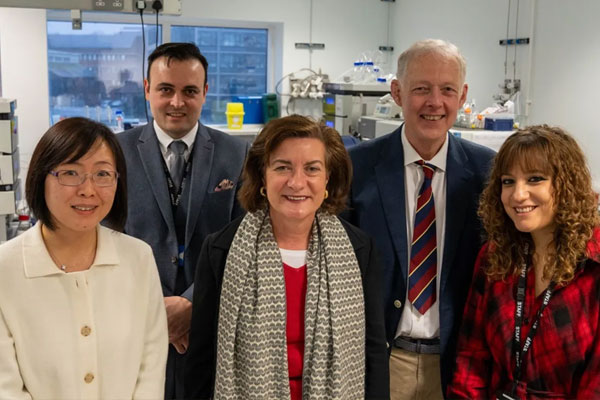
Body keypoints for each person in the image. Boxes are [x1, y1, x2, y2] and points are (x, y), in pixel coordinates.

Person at [184, 115, 389, 400]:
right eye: (283, 167)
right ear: (262, 177)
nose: (297, 182)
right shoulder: (222, 250)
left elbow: (374, 351)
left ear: (327, 177)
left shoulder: (359, 250)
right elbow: (201, 360)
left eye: (312, 169)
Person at [345, 39, 496, 399]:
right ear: (397, 92)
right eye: (421, 89)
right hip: (380, 363)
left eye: (447, 90)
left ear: (462, 96)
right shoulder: (356, 169)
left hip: (458, 369)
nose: (435, 102)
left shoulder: (488, 172)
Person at [0, 117, 168, 399]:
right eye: (70, 173)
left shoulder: (138, 258)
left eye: (102, 174)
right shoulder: (6, 269)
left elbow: (150, 369)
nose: (88, 190)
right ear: (41, 178)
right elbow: (6, 387)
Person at [117, 42, 249, 398]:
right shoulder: (114, 153)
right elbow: (106, 239)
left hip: (208, 327)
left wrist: (192, 302)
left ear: (205, 92)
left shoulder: (238, 154)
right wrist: (159, 310)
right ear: (147, 89)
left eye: (189, 91)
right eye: (165, 89)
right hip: (135, 325)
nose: (177, 102)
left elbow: (245, 239)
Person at [447, 125, 600, 399]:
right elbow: (471, 357)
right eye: (508, 181)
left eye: (535, 179)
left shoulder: (594, 266)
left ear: (567, 184)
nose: (518, 195)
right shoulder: (496, 257)